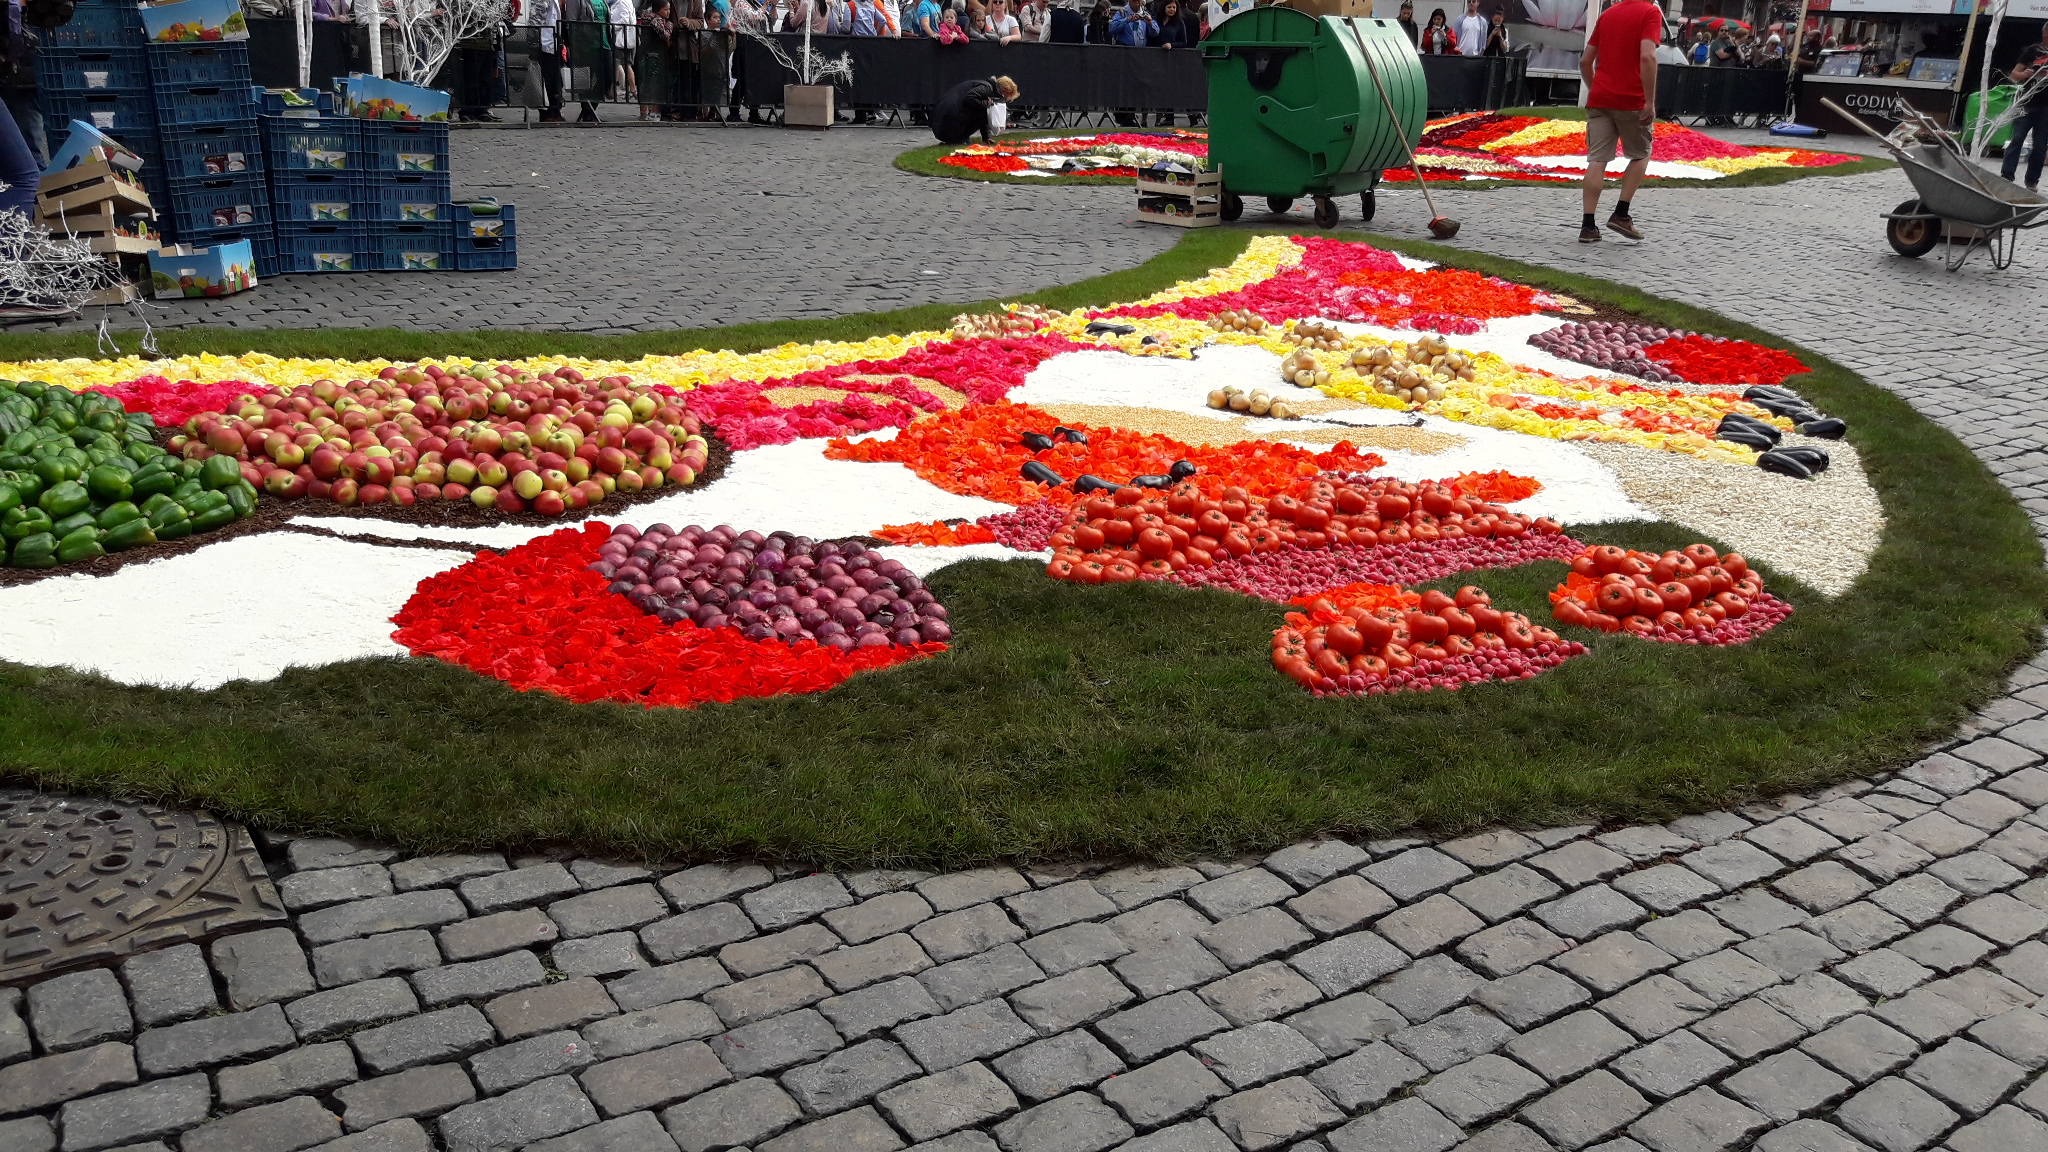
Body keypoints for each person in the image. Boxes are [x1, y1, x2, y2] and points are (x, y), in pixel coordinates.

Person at [1576, 0, 1659, 242]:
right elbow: (1647, 57)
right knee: (1641, 153)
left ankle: (1588, 226)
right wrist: (1650, 102)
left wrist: (1596, 89)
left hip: (1601, 98)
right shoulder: (1650, 13)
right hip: (1632, 99)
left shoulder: (1608, 14)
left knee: (1597, 160)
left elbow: (1585, 61)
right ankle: (1621, 213)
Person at [2002, 21, 2048, 190]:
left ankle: (2031, 181)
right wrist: (2026, 73)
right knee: (2017, 138)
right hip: (2027, 101)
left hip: (2046, 106)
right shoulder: (2033, 51)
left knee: (2040, 144)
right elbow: (2014, 74)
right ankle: (2007, 176)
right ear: (2044, 34)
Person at [932, 74, 1020, 142]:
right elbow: (970, 99)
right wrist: (987, 103)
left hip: (942, 121)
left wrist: (987, 136)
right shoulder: (986, 88)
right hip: (947, 123)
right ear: (1003, 92)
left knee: (983, 109)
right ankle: (959, 138)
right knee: (983, 110)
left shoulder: (984, 86)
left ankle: (959, 137)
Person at [530, 0, 568, 122]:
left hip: (552, 42)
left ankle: (553, 110)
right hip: (545, 43)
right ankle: (549, 111)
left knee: (554, 79)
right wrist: (534, 42)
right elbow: (536, 18)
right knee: (548, 79)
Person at [638, 0, 674, 119]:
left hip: (656, 54)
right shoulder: (655, 20)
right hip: (649, 53)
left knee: (655, 84)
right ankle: (646, 112)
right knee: (648, 83)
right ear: (658, 10)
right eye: (665, 9)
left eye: (669, 9)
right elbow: (665, 35)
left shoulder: (656, 19)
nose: (668, 12)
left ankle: (653, 111)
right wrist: (668, 26)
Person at [610, 0, 638, 106]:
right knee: (622, 63)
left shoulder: (622, 2)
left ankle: (628, 89)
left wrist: (612, 26)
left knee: (623, 63)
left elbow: (624, 20)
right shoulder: (626, 1)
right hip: (626, 37)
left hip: (623, 38)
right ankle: (626, 89)